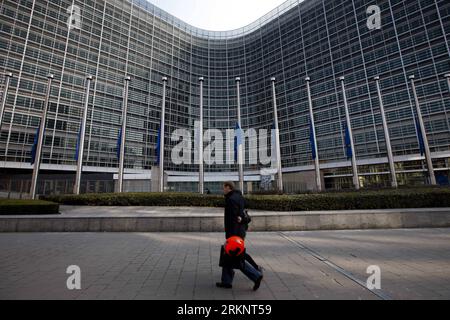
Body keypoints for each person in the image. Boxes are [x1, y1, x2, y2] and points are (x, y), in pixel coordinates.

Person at [216, 181, 263, 291]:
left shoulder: (231, 200)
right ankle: (226, 281)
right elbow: (241, 214)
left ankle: (256, 275)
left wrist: (231, 238)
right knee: (227, 255)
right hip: (240, 232)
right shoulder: (239, 197)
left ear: (228, 187)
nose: (223, 190)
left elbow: (233, 220)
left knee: (235, 258)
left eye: (224, 187)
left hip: (235, 234)